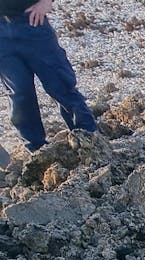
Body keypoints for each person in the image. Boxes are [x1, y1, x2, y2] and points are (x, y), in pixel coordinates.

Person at [0, 0, 97, 152]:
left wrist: (47, 1)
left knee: (60, 84)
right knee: (20, 93)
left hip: (32, 23)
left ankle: (89, 139)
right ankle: (37, 152)